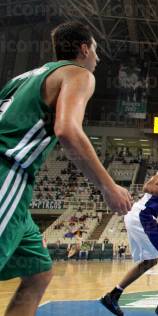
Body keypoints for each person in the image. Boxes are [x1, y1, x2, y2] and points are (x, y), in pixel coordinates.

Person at [0, 21, 132, 316]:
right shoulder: (79, 74)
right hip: (7, 172)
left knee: (38, 273)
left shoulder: (24, 77)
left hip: (20, 185)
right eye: (96, 51)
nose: (97, 58)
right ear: (84, 49)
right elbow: (67, 130)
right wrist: (108, 186)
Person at [101, 156, 158, 316]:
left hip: (139, 216)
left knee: (149, 261)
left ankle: (112, 296)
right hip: (142, 215)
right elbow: (148, 187)